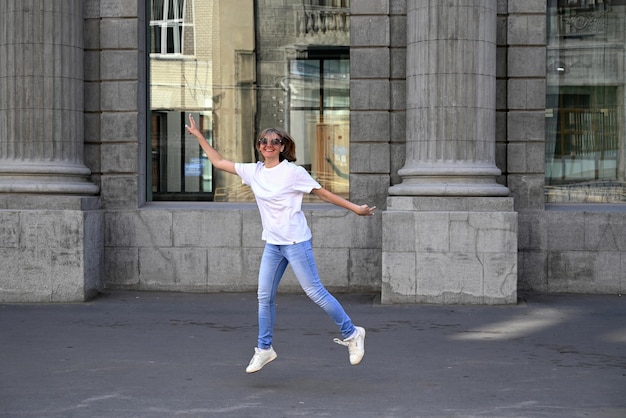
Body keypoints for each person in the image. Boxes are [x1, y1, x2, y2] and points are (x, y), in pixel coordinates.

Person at [185, 114, 375, 373]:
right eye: (263, 141)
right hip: (273, 244)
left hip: (296, 242)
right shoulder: (254, 171)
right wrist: (198, 136)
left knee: (315, 292)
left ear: (283, 146)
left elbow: (323, 193)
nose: (268, 145)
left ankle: (353, 333)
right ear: (259, 146)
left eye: (275, 141)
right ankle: (265, 349)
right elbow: (218, 162)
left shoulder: (293, 173)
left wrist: (356, 209)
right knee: (264, 296)